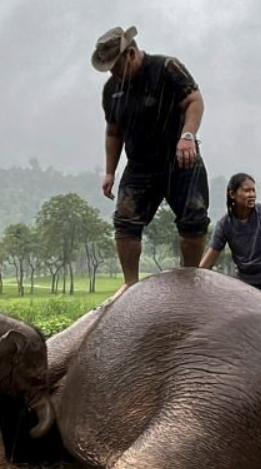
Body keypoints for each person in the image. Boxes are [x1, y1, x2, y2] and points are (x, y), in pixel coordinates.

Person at [92, 26, 210, 299]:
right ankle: (131, 284)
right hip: (141, 164)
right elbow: (113, 132)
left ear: (130, 53)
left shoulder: (167, 67)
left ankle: (190, 277)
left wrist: (188, 136)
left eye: (116, 66)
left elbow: (194, 100)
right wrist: (110, 171)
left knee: (193, 219)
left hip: (180, 156)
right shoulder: (112, 90)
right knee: (125, 220)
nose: (113, 74)